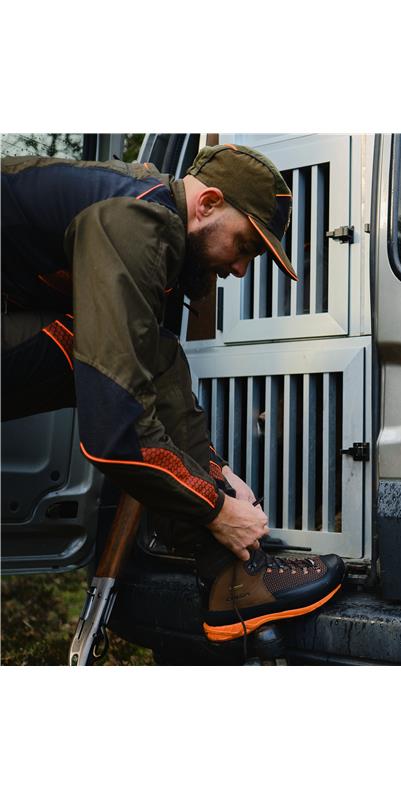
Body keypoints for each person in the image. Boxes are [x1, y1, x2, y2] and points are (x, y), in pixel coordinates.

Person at [1, 143, 345, 642]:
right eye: (245, 245)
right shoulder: (134, 221)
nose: (241, 270)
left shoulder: (150, 219)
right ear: (208, 204)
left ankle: (233, 580)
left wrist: (215, 472)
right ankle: (233, 582)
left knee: (149, 348)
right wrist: (218, 510)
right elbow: (116, 431)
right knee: (136, 352)